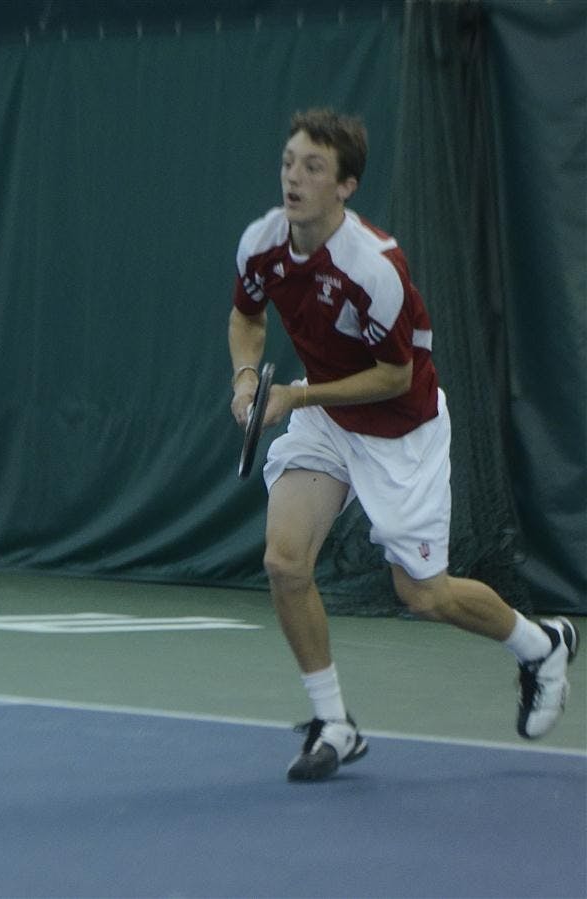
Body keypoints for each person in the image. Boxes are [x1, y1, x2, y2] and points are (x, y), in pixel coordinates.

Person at [228, 108, 579, 782]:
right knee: (285, 560)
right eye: (289, 161)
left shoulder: (375, 267)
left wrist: (295, 396)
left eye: (313, 167)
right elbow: (246, 315)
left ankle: (540, 644)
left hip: (400, 427)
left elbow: (394, 374)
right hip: (328, 414)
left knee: (423, 594)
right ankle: (334, 722)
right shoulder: (262, 244)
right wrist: (247, 377)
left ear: (347, 186)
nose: (293, 177)